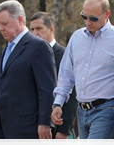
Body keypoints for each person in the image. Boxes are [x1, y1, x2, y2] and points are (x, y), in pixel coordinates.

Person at [51, 0, 114, 145]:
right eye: (84, 16)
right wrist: (58, 103)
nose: (88, 22)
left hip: (107, 109)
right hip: (81, 111)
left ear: (107, 14)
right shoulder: (76, 38)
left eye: (93, 18)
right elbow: (66, 74)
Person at [0, 0, 57, 145]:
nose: (0, 29)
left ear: (20, 20)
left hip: (28, 131)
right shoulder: (7, 50)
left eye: (4, 24)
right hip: (2, 128)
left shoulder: (39, 46)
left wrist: (45, 122)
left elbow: (47, 89)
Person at [30, 12, 78, 145]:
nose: (34, 33)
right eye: (32, 29)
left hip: (58, 133)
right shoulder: (30, 56)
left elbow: (73, 94)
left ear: (51, 29)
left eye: (39, 28)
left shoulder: (64, 55)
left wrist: (64, 129)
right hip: (33, 132)